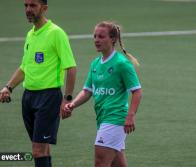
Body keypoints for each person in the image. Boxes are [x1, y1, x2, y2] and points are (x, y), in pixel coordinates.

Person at [0, 0, 76, 166]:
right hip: (28, 97)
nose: (28, 9)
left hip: (48, 97)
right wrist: (8, 87)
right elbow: (25, 67)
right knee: (42, 148)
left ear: (44, 8)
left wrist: (67, 98)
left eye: (33, 5)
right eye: (26, 5)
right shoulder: (30, 34)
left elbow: (70, 67)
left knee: (38, 150)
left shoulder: (56, 33)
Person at [62, 21, 142, 167]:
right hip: (103, 118)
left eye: (101, 36)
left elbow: (137, 91)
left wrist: (130, 115)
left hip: (115, 118)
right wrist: (72, 104)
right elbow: (87, 91)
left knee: (100, 162)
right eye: (95, 36)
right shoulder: (95, 64)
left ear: (113, 39)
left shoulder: (121, 63)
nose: (96, 40)